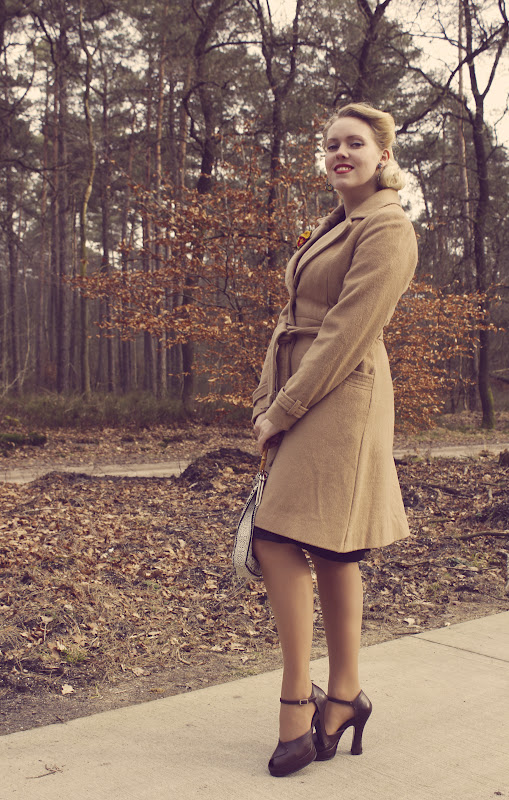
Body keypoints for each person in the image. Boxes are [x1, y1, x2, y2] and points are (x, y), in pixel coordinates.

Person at [251, 102, 418, 778]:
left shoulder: (388, 227)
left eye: (354, 143)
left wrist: (284, 408)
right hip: (305, 391)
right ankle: (345, 696)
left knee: (276, 537)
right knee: (329, 547)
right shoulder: (336, 223)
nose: (339, 154)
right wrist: (265, 399)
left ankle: (298, 700)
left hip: (343, 397)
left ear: (383, 155)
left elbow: (347, 332)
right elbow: (291, 319)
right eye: (330, 145)